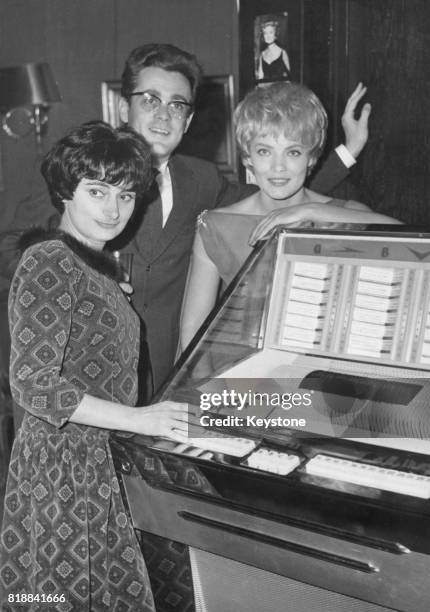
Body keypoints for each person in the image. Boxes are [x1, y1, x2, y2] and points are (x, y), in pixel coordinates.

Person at [110, 43, 371, 397]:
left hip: (171, 371)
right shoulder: (85, 169)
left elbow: (276, 193)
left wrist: (346, 153)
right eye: (150, 100)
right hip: (101, 361)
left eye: (176, 105)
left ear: (188, 120)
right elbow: (16, 245)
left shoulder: (201, 180)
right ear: (124, 108)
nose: (163, 115)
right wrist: (82, 276)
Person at [0, 121, 188, 611]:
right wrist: (139, 419)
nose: (113, 209)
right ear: (66, 190)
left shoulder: (91, 267)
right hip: (61, 470)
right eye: (97, 191)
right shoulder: (49, 260)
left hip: (93, 462)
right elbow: (33, 384)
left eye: (126, 195)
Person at [179, 82, 401, 350]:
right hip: (244, 378)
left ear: (311, 157)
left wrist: (311, 211)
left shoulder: (343, 214)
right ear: (247, 157)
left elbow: (415, 239)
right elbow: (192, 330)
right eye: (264, 151)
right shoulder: (216, 226)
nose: (278, 167)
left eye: (293, 152)